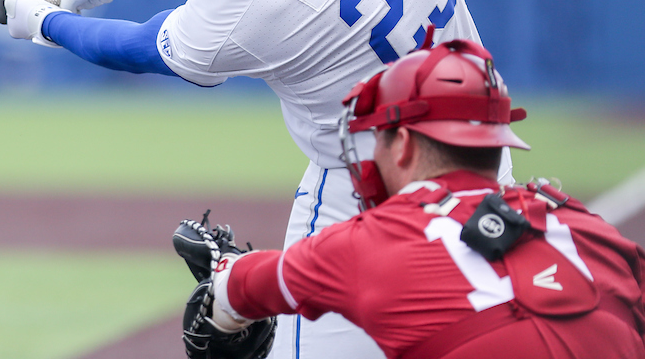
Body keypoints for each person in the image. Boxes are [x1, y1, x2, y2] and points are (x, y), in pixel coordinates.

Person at [0, 0, 511, 358]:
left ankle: (244, 283)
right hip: (481, 153)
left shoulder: (260, 8)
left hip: (367, 192)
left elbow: (134, 45)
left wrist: (43, 20)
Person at [178, 36, 645, 359]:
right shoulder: (585, 227)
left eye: (378, 137)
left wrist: (222, 294)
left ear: (403, 144)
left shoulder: (369, 241)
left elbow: (237, 288)